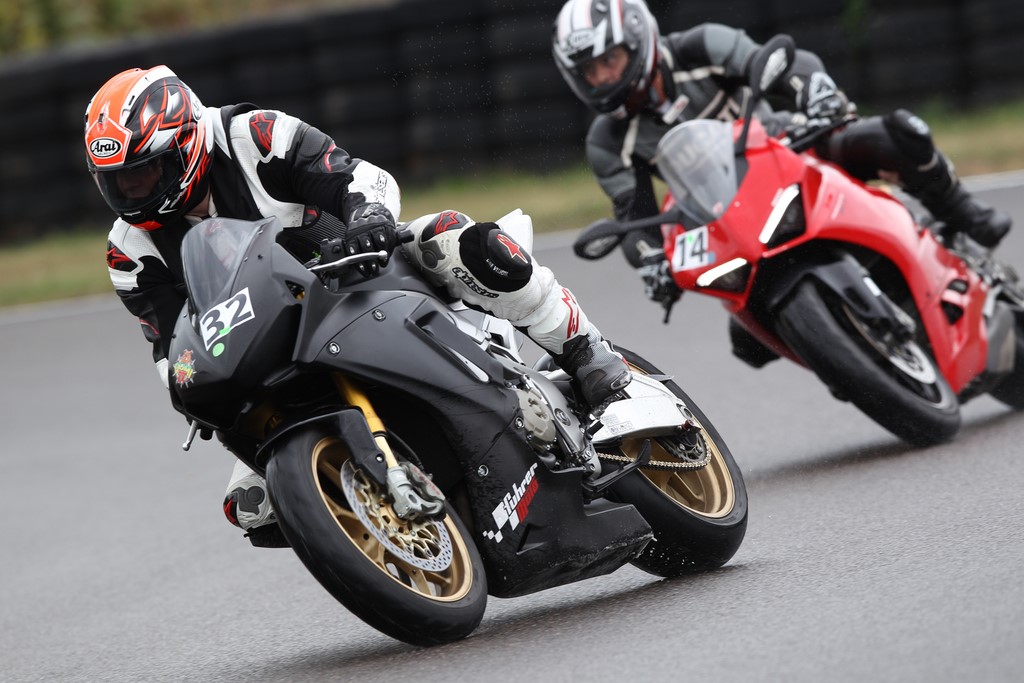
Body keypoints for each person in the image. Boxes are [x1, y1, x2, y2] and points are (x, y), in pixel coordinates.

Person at [86, 65, 630, 547]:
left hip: (358, 273)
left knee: (462, 241)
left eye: (144, 173)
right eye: (118, 183)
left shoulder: (256, 136)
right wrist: (191, 385)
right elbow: (168, 347)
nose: (133, 193)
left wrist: (368, 218)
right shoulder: (129, 250)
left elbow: (357, 176)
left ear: (186, 144)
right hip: (269, 350)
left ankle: (587, 352)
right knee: (254, 507)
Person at [551, 0, 1012, 307]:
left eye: (609, 60)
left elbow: (781, 63)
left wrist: (816, 92)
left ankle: (962, 211)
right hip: (728, 215)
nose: (603, 77)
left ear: (638, 41)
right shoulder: (606, 141)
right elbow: (634, 219)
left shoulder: (701, 45)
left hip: (789, 150)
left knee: (896, 135)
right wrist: (653, 262)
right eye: (590, 70)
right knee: (747, 343)